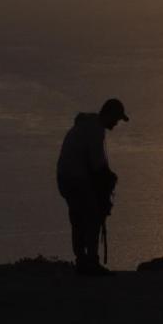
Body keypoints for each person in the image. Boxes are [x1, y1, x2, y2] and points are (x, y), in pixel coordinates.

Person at [56, 99, 129, 276]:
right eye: (116, 119)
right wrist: (110, 178)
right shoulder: (95, 131)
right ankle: (90, 262)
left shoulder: (86, 127)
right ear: (109, 115)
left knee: (78, 218)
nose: (116, 123)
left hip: (65, 177)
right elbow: (97, 165)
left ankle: (82, 260)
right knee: (92, 217)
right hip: (76, 178)